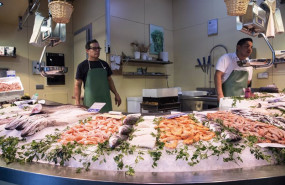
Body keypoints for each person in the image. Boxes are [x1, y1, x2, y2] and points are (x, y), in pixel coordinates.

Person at [74, 39, 121, 112]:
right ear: (87, 51)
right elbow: (77, 85)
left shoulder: (104, 64)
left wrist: (116, 94)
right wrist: (77, 102)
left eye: (98, 48)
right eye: (94, 48)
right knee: (93, 120)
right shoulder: (82, 66)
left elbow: (109, 80)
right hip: (91, 102)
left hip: (105, 100)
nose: (97, 50)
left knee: (107, 120)